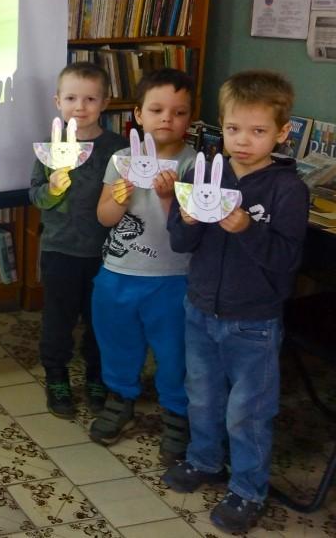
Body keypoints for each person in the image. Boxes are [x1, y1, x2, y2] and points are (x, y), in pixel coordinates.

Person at [162, 71, 308, 534]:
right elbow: (181, 243)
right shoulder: (204, 173)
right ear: (219, 127)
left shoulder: (287, 190)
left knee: (248, 411)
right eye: (232, 129)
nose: (243, 141)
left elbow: (286, 259)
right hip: (200, 307)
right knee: (201, 397)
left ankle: (248, 489)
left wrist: (246, 227)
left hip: (254, 321)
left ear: (282, 133)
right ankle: (204, 459)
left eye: (258, 131)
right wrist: (185, 218)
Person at [91, 68, 197, 465]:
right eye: (156, 109)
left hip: (173, 277)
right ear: (138, 113)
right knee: (117, 340)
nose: (167, 118)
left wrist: (171, 197)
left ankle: (176, 413)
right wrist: (120, 198)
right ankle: (120, 397)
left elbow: (194, 227)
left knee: (175, 351)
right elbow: (104, 217)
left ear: (190, 117)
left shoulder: (195, 164)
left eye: (179, 112)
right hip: (119, 272)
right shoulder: (121, 160)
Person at [30, 63, 126, 418]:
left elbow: (125, 200)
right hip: (59, 250)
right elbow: (36, 197)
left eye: (90, 98)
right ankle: (56, 377)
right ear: (58, 101)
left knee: (101, 320)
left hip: (106, 254)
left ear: (104, 103)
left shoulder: (117, 148)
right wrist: (53, 188)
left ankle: (97, 376)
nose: (80, 106)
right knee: (58, 320)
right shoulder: (49, 148)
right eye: (71, 98)